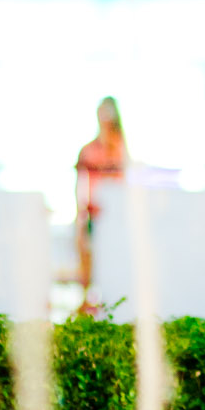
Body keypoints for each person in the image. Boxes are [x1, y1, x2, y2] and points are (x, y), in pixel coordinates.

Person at [75, 95, 127, 302]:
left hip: (114, 216)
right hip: (92, 214)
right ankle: (87, 300)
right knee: (89, 254)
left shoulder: (120, 149)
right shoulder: (89, 150)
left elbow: (122, 181)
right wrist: (81, 211)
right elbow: (80, 184)